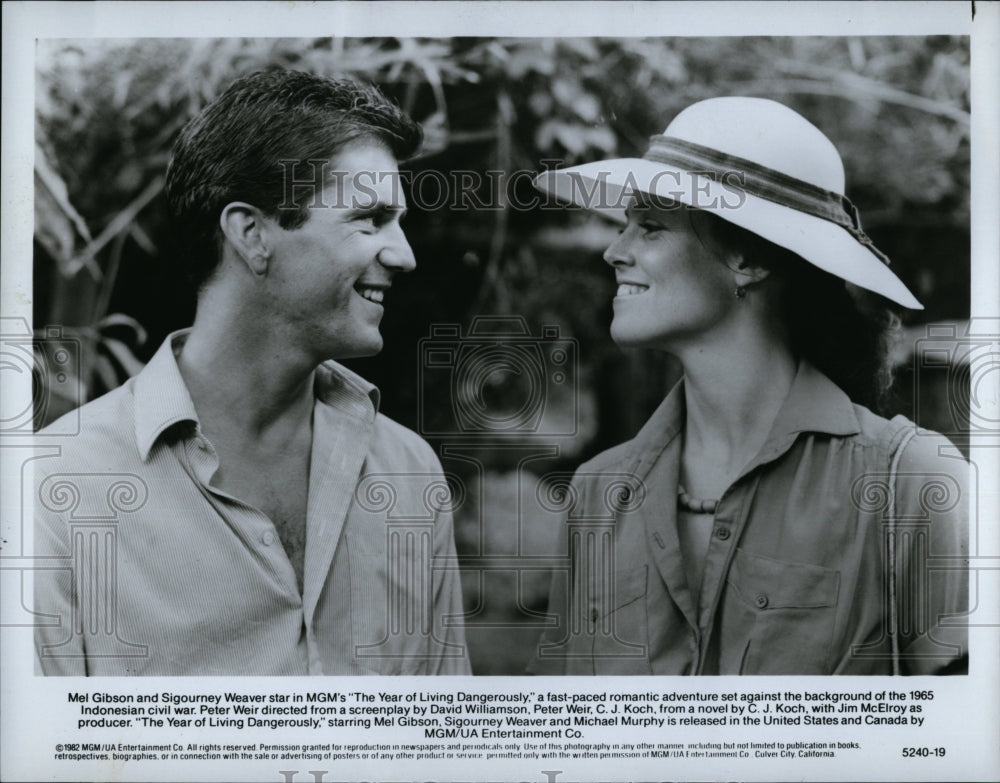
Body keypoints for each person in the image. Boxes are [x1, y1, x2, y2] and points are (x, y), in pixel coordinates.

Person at [34, 69, 470, 676]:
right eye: (369, 220)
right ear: (251, 234)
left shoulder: (409, 472)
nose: (404, 253)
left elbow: (442, 754)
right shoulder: (52, 492)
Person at [528, 97, 968, 676]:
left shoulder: (911, 484)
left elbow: (959, 744)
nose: (615, 251)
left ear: (747, 257)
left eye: (651, 227)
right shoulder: (596, 496)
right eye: (623, 227)